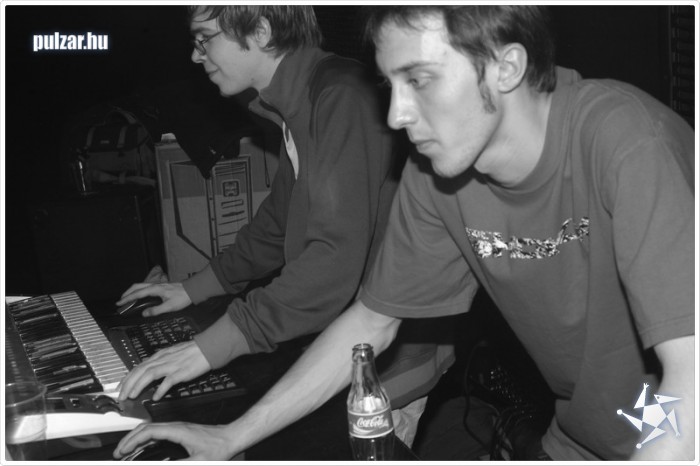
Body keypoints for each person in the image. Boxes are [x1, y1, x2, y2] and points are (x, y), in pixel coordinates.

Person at [114, 5, 695, 461]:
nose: (395, 115)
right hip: (582, 440)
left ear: (506, 67)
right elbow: (369, 323)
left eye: (419, 79)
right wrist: (231, 437)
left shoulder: (625, 142)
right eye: (391, 85)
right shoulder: (437, 175)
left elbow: (692, 386)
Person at [115, 4, 455, 448]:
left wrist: (210, 347)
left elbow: (331, 261)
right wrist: (193, 288)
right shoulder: (299, 101)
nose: (197, 55)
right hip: (348, 344)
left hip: (388, 362)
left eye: (205, 38)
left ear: (259, 30)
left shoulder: (339, 96)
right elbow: (277, 225)